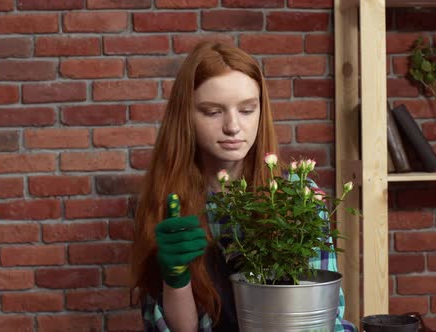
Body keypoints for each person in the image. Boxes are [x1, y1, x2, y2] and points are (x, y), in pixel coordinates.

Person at [131, 41, 356, 332]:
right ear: (185, 116)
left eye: (247, 109)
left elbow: (322, 316)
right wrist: (176, 279)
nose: (233, 126)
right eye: (213, 112)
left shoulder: (297, 198)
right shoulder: (168, 205)